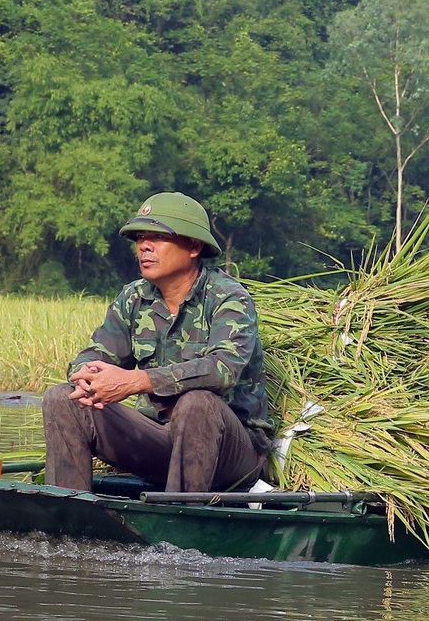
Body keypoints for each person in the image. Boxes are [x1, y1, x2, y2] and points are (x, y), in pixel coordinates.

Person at [43, 192, 271, 494]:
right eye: (140, 238)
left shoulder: (229, 297)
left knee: (197, 405)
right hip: (158, 440)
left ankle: (180, 524)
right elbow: (97, 353)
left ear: (193, 246)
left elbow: (223, 369)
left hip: (230, 452)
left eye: (158, 237)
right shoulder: (134, 297)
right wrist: (86, 375)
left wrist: (136, 380)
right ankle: (66, 517)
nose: (144, 247)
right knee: (62, 399)